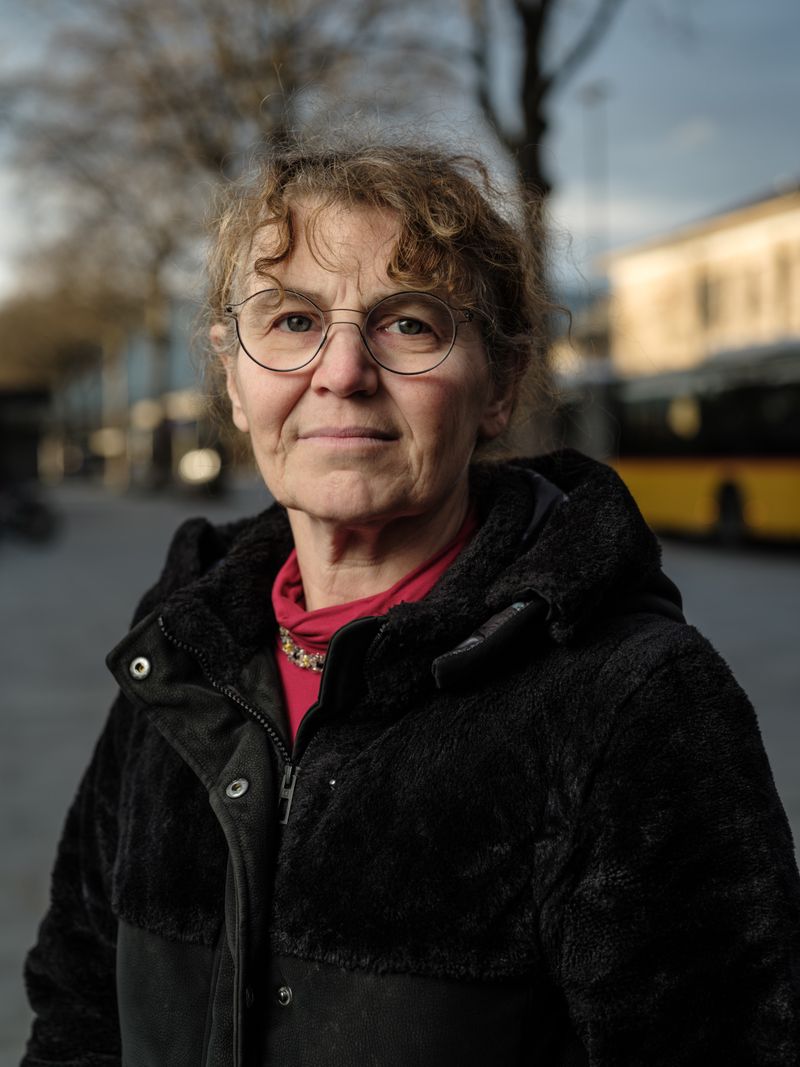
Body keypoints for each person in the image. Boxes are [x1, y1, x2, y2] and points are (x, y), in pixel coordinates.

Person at [23, 142, 800, 1067]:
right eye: (293, 319)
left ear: (501, 385)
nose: (342, 371)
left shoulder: (637, 702)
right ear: (234, 379)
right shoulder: (181, 653)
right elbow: (77, 1007)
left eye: (409, 325)